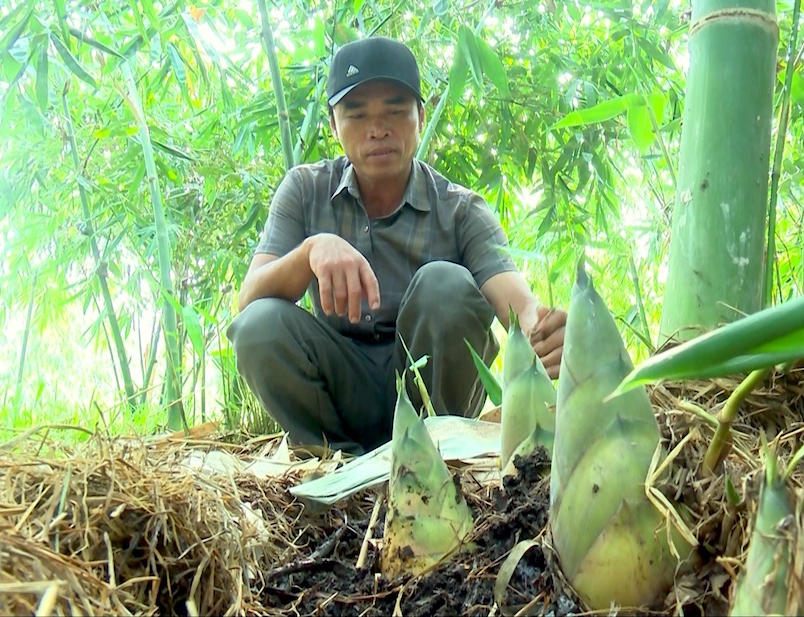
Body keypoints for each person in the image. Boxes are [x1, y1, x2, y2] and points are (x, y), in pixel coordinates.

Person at [227, 36, 567, 456]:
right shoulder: (304, 190)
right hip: (337, 392)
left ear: (420, 117)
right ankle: (335, 464)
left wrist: (545, 331)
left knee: (445, 283)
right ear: (334, 126)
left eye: (394, 110)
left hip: (433, 403)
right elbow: (249, 301)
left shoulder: (461, 210)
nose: (378, 129)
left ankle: (429, 460)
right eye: (357, 114)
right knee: (258, 325)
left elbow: (517, 303)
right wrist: (310, 251)